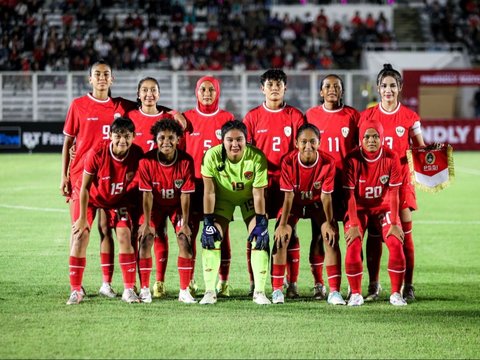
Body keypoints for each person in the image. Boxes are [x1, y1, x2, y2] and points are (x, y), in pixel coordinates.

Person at [60, 60, 136, 299]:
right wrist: (64, 174)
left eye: (106, 74)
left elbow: (149, 105)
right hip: (82, 178)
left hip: (112, 179)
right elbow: (68, 143)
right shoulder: (78, 105)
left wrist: (174, 113)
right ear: (90, 79)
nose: (102, 78)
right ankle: (77, 287)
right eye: (97, 74)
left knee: (107, 232)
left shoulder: (121, 106)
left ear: (112, 79)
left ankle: (106, 284)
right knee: (80, 231)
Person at [360, 64, 429, 301]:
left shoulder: (410, 117)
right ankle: (374, 284)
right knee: (374, 236)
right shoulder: (367, 116)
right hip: (374, 186)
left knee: (404, 236)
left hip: (401, 185)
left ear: (399, 88)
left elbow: (420, 149)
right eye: (384, 86)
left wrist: (432, 160)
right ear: (378, 89)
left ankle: (407, 285)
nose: (388, 90)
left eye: (392, 85)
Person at [67, 117, 144, 305]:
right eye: (118, 136)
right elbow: (84, 187)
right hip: (89, 197)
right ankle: (76, 290)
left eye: (127, 136)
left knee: (125, 235)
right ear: (110, 136)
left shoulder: (137, 154)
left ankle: (128, 290)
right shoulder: (97, 152)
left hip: (117, 199)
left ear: (134, 136)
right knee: (80, 235)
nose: (122, 141)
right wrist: (83, 220)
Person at [243, 69, 305, 297]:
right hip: (259, 186)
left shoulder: (296, 116)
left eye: (279, 84)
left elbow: (303, 151)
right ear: (263, 88)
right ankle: (254, 283)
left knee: (288, 232)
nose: (275, 88)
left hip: (287, 185)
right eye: (270, 84)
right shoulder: (252, 117)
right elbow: (246, 155)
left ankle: (292, 284)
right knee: (255, 233)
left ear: (285, 87)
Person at [199, 120, 271, 305]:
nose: (235, 144)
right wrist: (207, 222)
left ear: (247, 140)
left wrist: (262, 223)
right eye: (230, 140)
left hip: (248, 198)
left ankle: (260, 292)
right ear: (222, 141)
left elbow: (258, 193)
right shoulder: (211, 156)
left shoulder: (257, 157)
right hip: (223, 199)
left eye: (239, 139)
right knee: (211, 237)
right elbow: (209, 191)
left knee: (260, 238)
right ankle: (209, 291)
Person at [128, 77, 186, 299]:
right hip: (135, 187)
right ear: (138, 94)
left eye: (153, 90)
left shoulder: (168, 118)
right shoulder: (130, 117)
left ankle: (159, 283)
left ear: (159, 95)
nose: (149, 94)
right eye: (145, 90)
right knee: (138, 234)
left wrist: (173, 112)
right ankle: (134, 282)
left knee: (160, 232)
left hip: (164, 186)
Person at [272, 124, 342, 305]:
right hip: (294, 205)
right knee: (281, 237)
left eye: (312, 141)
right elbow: (288, 196)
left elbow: (326, 196)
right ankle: (277, 289)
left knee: (329, 237)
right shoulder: (288, 161)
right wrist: (282, 224)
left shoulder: (328, 162)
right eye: (304, 142)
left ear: (319, 142)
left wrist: (329, 222)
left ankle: (331, 290)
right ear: (296, 143)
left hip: (317, 205)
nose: (308, 146)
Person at [305, 74, 359, 301]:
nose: (331, 89)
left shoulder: (353, 116)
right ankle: (319, 284)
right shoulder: (311, 115)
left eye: (336, 86)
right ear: (320, 92)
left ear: (342, 91)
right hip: (320, 186)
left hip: (346, 186)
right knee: (320, 235)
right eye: (327, 86)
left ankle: (352, 284)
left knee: (352, 236)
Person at [343, 119, 406, 307]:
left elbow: (394, 193)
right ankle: (355, 293)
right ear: (360, 139)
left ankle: (396, 293)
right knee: (353, 243)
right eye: (367, 137)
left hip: (384, 208)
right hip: (359, 209)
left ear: (382, 138)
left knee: (395, 242)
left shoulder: (391, 157)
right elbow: (350, 195)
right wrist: (354, 224)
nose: (371, 140)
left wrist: (394, 222)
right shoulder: (352, 159)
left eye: (376, 136)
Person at [183, 76, 235, 297]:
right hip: (193, 185)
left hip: (219, 186)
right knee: (192, 232)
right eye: (202, 89)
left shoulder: (227, 118)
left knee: (222, 234)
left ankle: (223, 282)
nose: (206, 93)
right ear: (196, 92)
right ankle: (192, 279)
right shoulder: (186, 118)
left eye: (211, 89)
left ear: (218, 92)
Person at [137, 119, 196, 304]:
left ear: (178, 138)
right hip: (154, 207)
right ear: (155, 139)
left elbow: (186, 196)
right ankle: (145, 289)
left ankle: (184, 291)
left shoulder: (186, 161)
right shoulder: (146, 161)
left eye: (171, 137)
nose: (166, 142)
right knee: (146, 239)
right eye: (161, 138)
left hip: (177, 206)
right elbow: (146, 195)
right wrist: (146, 224)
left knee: (185, 240)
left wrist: (185, 224)